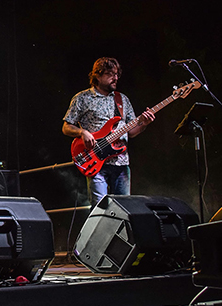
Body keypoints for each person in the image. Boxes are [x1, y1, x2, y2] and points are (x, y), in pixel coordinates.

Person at [62, 57, 154, 207]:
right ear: (97, 76)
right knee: (101, 208)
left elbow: (131, 132)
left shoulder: (122, 99)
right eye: (110, 74)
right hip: (96, 162)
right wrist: (83, 132)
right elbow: (66, 127)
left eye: (117, 74)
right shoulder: (83, 98)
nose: (115, 78)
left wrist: (144, 124)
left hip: (121, 163)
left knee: (124, 208)